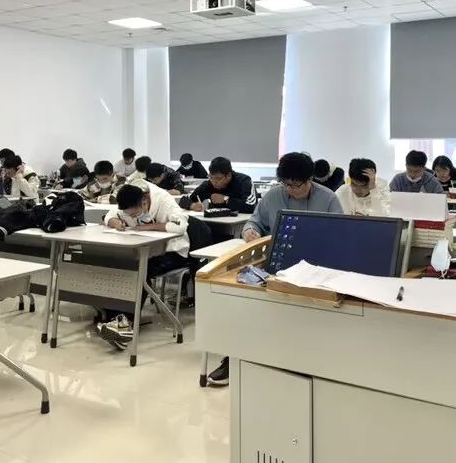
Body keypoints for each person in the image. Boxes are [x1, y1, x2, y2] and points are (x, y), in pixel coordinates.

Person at [207, 153, 343, 387]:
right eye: (285, 184)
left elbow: (340, 236)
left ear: (310, 179)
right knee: (243, 302)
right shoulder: (273, 195)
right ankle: (234, 359)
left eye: (296, 185)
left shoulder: (328, 199)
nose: (290, 189)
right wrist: (250, 231)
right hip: (277, 266)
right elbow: (254, 221)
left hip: (316, 271)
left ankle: (304, 363)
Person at [98, 181, 190, 350]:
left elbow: (181, 227)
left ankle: (125, 326)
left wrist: (149, 227)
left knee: (141, 272)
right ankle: (114, 320)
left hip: (173, 251)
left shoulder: (163, 200)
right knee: (122, 267)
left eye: (134, 213)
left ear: (144, 201)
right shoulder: (128, 195)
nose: (132, 218)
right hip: (146, 251)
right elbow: (110, 215)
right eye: (129, 215)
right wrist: (115, 222)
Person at [188, 157, 257, 214]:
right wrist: (192, 205)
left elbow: (251, 206)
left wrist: (226, 199)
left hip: (242, 223)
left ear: (228, 176)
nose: (214, 182)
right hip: (215, 221)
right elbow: (186, 200)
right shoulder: (209, 184)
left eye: (218, 178)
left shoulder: (244, 181)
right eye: (211, 177)